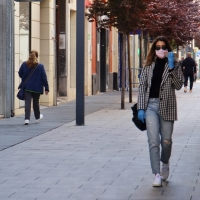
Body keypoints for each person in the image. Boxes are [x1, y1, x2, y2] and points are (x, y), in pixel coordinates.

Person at [137, 36, 183, 187]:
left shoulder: (174, 65)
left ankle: (165, 162)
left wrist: (171, 68)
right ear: (154, 49)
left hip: (168, 106)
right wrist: (141, 108)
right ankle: (156, 174)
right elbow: (142, 87)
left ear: (168, 48)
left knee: (166, 141)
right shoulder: (148, 66)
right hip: (150, 106)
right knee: (153, 141)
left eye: (164, 47)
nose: (161, 50)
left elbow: (178, 86)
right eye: (158, 47)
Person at [18, 50, 49, 125]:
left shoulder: (24, 64)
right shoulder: (40, 66)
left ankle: (27, 119)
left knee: (27, 102)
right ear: (37, 57)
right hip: (37, 88)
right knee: (36, 103)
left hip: (27, 86)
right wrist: (46, 88)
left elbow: (20, 74)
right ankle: (37, 117)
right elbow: (44, 78)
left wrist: (25, 78)